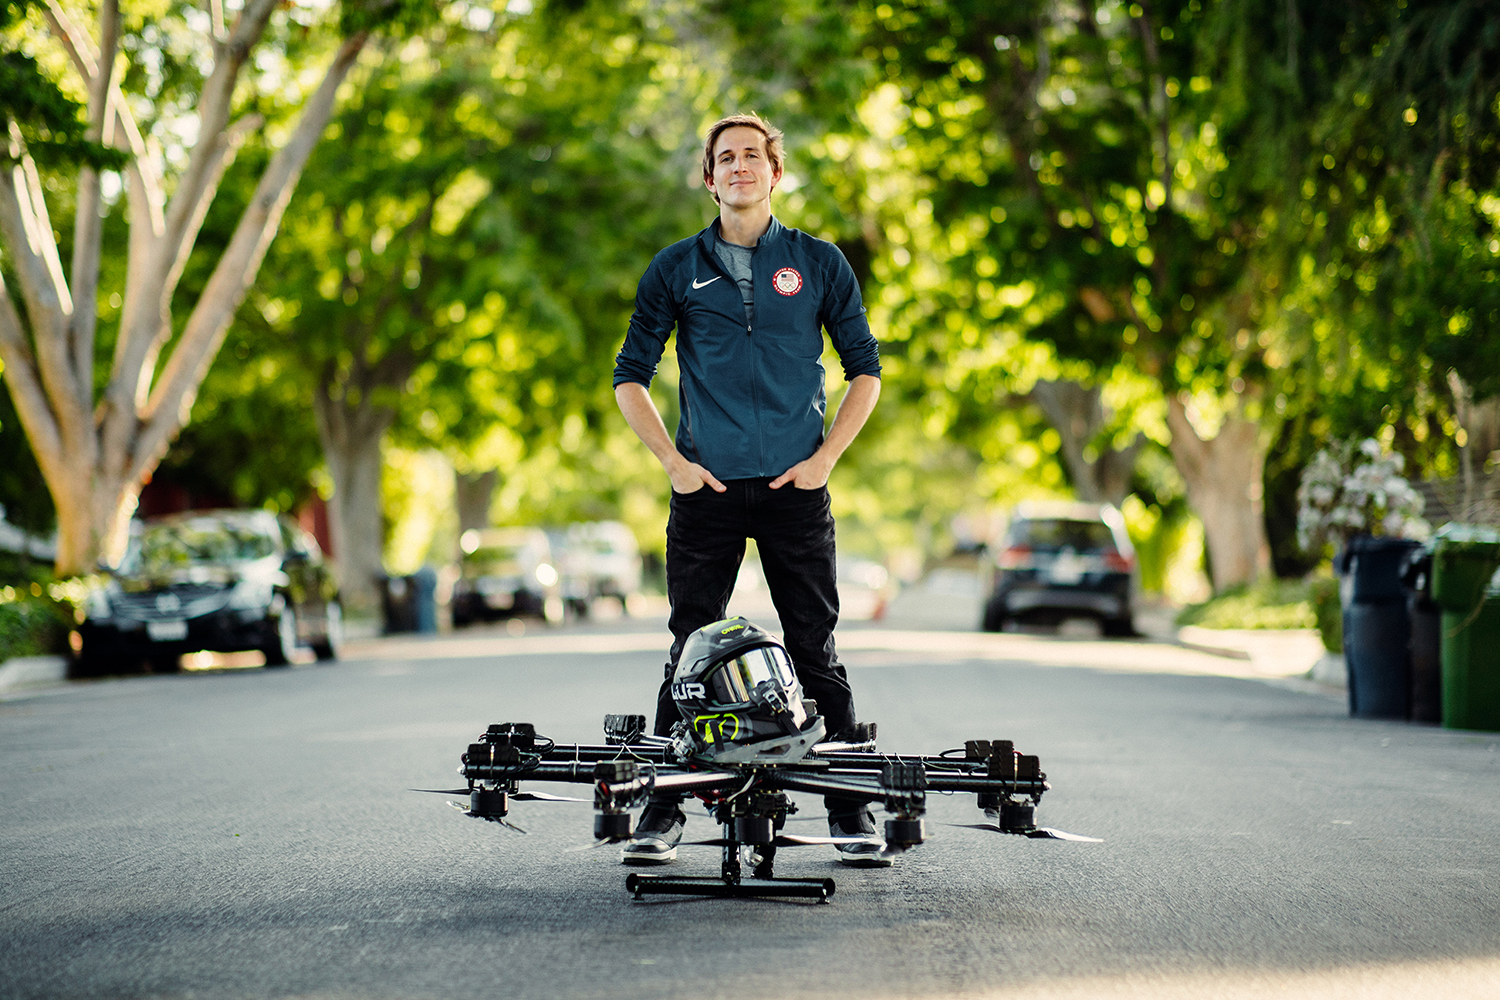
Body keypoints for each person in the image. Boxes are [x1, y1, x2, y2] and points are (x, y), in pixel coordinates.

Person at [612, 112, 885, 866]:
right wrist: (674, 464)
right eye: (725, 157)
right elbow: (629, 377)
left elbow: (866, 369)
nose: (739, 166)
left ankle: (849, 809)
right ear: (709, 178)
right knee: (690, 648)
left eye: (752, 156)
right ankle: (662, 812)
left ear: (775, 172)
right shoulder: (676, 266)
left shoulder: (820, 262)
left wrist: (826, 459)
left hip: (797, 487)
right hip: (706, 490)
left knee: (814, 649)